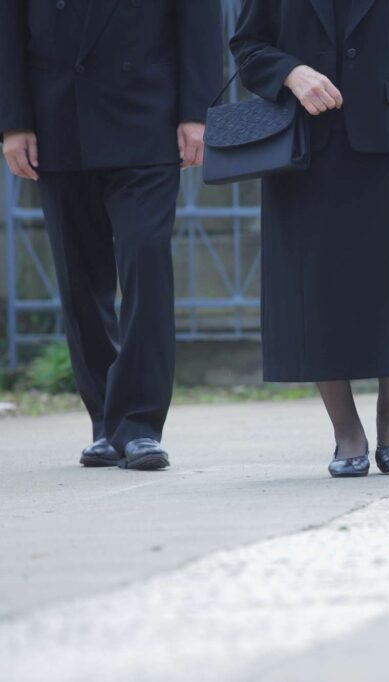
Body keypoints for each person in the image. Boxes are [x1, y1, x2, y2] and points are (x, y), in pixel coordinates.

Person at [230, 0, 389, 478]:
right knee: (315, 294)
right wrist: (291, 72)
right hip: (304, 149)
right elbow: (247, 47)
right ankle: (345, 429)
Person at [0, 1, 222, 470]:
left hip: (146, 115)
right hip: (56, 117)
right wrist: (13, 121)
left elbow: (199, 18)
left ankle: (140, 424)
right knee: (79, 278)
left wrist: (197, 112)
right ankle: (104, 419)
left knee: (145, 260)